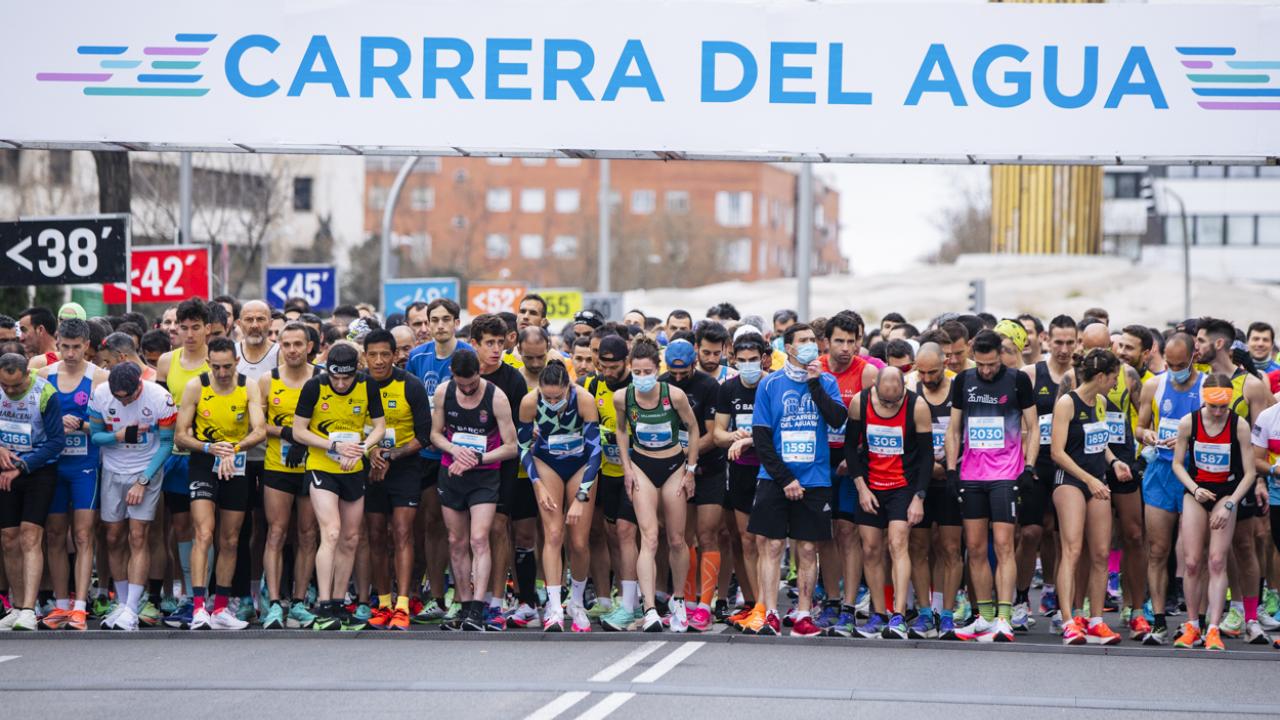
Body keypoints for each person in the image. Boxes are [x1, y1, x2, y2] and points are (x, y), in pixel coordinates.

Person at [745, 323, 847, 637]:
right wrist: (785, 478)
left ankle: (803, 613)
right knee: (772, 546)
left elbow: (838, 420)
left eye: (812, 341)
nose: (809, 346)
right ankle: (770, 612)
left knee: (806, 549)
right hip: (775, 478)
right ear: (788, 347)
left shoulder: (827, 381)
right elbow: (761, 439)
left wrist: (815, 385)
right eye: (802, 341)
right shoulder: (769, 384)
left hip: (815, 479)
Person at [945, 330, 1038, 642]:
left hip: (1005, 474)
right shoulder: (964, 381)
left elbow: (1032, 425)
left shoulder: (1017, 380)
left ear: (1001, 355)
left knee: (1003, 544)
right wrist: (950, 468)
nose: (986, 370)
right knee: (974, 548)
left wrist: (1029, 466)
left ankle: (1004, 616)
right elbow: (954, 429)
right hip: (971, 474)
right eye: (981, 364)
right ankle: (984, 617)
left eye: (991, 364)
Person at [173, 337, 267, 630]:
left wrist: (233, 449)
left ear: (237, 362)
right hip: (204, 462)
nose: (223, 372)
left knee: (230, 538)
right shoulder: (196, 386)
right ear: (208, 363)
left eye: (228, 366)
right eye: (216, 367)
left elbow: (260, 429)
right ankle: (199, 606)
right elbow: (180, 435)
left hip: (235, 463)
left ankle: (222, 608)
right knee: (204, 532)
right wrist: (209, 447)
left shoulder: (247, 385)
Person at [292, 343, 386, 631]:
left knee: (351, 537)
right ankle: (323, 603)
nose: (342, 383)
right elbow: (299, 430)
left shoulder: (367, 384)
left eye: (346, 378)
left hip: (353, 468)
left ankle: (338, 599)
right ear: (328, 371)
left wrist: (362, 448)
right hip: (322, 466)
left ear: (355, 372)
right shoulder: (315, 386)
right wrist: (334, 446)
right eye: (336, 378)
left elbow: (379, 426)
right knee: (330, 531)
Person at [1194, 317, 1273, 642]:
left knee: (1244, 545)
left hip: (1243, 478)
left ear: (1219, 344)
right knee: (1213, 552)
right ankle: (1225, 611)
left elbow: (1262, 437)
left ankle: (1249, 616)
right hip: (1208, 479)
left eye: (1200, 341)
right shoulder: (1202, 381)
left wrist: (1259, 481)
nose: (1195, 346)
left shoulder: (1251, 384)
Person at [614, 338, 700, 632]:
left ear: (657, 369)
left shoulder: (673, 395)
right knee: (648, 537)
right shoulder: (622, 397)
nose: (642, 377)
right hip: (642, 466)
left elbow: (693, 427)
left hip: (673, 466)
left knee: (676, 539)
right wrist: (627, 468)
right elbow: (621, 429)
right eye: (636, 372)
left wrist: (691, 470)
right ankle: (649, 607)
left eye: (647, 371)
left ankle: (678, 601)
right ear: (630, 369)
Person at [430, 348, 518, 632]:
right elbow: (434, 434)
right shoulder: (444, 392)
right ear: (452, 376)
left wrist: (478, 458)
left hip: (484, 476)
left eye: (472, 384)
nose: (467, 390)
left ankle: (479, 608)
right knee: (456, 540)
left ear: (480, 373)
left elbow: (511, 446)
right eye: (461, 384)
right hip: (452, 472)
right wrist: (455, 450)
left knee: (479, 539)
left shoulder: (497, 397)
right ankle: (465, 605)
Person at [1171, 374, 1256, 651]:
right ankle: (1192, 624)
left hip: (1226, 493)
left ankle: (1213, 628)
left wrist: (1231, 503)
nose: (1218, 412)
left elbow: (1250, 472)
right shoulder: (1189, 423)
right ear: (1204, 401)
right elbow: (1178, 465)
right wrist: (1194, 489)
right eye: (1213, 406)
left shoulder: (1238, 425)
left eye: (1223, 407)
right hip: (1197, 493)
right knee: (1193, 561)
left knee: (1217, 561)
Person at [845, 367, 932, 639]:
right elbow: (850, 447)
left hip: (902, 486)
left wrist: (919, 497)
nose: (889, 405)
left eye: (895, 401)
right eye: (885, 401)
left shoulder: (917, 405)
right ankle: (878, 613)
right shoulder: (860, 402)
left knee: (897, 544)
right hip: (871, 484)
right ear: (876, 388)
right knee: (870, 548)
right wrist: (861, 487)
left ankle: (899, 614)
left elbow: (927, 457)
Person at [1050, 349, 1128, 646]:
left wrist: (1113, 462)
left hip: (1097, 479)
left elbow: (1099, 441)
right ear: (1100, 376)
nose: (1115, 383)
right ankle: (1069, 620)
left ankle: (1096, 620)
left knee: (1100, 553)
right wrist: (1089, 479)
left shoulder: (1102, 402)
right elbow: (1057, 452)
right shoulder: (1067, 403)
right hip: (1071, 480)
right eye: (1113, 378)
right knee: (1072, 549)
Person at [89, 363, 175, 631]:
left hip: (146, 468)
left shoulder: (160, 398)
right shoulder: (101, 394)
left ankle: (133, 607)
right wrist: (118, 435)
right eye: (120, 398)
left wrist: (144, 480)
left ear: (140, 384)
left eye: (130, 396)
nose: (125, 402)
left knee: (138, 535)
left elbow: (167, 443)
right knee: (113, 537)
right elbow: (95, 437)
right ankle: (124, 604)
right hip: (113, 470)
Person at [520, 360, 601, 631]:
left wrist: (581, 496)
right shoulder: (530, 402)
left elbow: (596, 451)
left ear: (568, 387)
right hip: (547, 462)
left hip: (580, 463)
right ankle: (554, 606)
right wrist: (538, 484)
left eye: (558, 396)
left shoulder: (584, 400)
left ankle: (576, 602)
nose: (553, 401)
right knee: (553, 533)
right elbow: (522, 448)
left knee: (578, 541)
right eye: (548, 396)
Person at [406, 298, 472, 624]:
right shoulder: (417, 357)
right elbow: (410, 403)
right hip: (426, 453)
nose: (441, 325)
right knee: (432, 525)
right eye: (435, 320)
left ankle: (463, 596)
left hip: (461, 452)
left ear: (457, 322)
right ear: (427, 324)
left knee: (461, 530)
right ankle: (436, 596)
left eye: (447, 319)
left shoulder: (467, 356)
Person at [37, 320, 106, 631]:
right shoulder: (44, 376)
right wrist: (55, 425)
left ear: (87, 345)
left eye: (77, 347)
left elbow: (110, 428)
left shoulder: (99, 378)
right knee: (53, 535)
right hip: (53, 465)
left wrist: (81, 425)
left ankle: (80, 607)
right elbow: (32, 423)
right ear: (58, 344)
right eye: (65, 346)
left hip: (85, 466)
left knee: (82, 535)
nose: (70, 353)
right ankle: (61, 604)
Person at [361, 329, 432, 631]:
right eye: (372, 355)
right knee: (376, 535)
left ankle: (403, 604)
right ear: (364, 356)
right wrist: (372, 454)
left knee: (402, 532)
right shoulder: (357, 385)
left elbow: (424, 436)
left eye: (384, 355)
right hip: (368, 466)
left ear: (394, 356)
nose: (378, 361)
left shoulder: (410, 385)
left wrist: (392, 455)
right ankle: (383, 602)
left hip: (404, 467)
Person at [1136, 333, 1202, 645]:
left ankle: (1196, 622)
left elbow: (1220, 430)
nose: (1175, 370)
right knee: (1157, 550)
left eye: (1181, 364)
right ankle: (1159, 621)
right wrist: (1147, 436)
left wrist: (1190, 440)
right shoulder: (1154, 385)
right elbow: (1139, 427)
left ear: (1194, 357)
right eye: (1170, 364)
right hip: (1160, 471)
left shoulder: (1206, 387)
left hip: (1193, 475)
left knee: (1193, 556)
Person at [817, 311, 878, 635]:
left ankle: (849, 605)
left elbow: (873, 422)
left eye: (851, 341)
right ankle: (830, 598)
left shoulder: (866, 373)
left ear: (859, 342)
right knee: (822, 534)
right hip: (817, 460)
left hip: (850, 459)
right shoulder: (816, 369)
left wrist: (856, 457)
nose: (845, 348)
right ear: (826, 342)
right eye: (838, 341)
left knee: (847, 532)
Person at [472, 315, 533, 631]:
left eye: (500, 343)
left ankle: (496, 602)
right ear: (475, 345)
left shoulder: (513, 379)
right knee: (468, 535)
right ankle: (470, 601)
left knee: (498, 527)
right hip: (466, 463)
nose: (496, 349)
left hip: (505, 463)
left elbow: (523, 430)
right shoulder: (463, 375)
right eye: (489, 344)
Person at [258, 322, 321, 630]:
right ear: (279, 346)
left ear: (309, 346)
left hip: (312, 466)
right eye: (287, 344)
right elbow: (256, 426)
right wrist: (287, 432)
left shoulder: (321, 378)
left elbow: (330, 420)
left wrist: (304, 437)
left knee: (308, 535)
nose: (293, 350)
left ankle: (298, 601)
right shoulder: (267, 381)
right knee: (277, 532)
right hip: (277, 466)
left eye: (299, 344)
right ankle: (273, 602)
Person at [1016, 315, 1076, 629]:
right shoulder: (1029, 375)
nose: (1064, 349)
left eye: (1070, 342)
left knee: (1059, 532)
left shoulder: (1081, 377)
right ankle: (1020, 597)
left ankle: (1054, 596)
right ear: (1046, 340)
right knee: (1031, 532)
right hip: (1036, 463)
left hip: (1068, 463)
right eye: (1058, 342)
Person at [659, 338, 723, 632]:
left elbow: (712, 433)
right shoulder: (660, 383)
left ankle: (705, 604)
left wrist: (689, 455)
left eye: (684, 372)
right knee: (680, 538)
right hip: (674, 469)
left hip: (707, 467)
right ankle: (683, 600)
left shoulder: (709, 386)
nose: (679, 378)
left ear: (694, 362)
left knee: (708, 533)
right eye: (674, 372)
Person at [0, 354, 63, 631]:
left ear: (27, 374)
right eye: (5, 386)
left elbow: (56, 441)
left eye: (15, 385)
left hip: (37, 469)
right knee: (8, 538)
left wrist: (23, 466)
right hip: (5, 470)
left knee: (30, 536)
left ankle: (29, 607)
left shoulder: (45, 393)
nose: (10, 391)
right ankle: (15, 606)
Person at [585, 336, 644, 633]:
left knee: (626, 531)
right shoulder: (593, 386)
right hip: (606, 472)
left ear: (627, 361)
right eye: (602, 365)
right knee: (611, 534)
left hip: (637, 471)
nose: (607, 371)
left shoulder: (640, 386)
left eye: (614, 366)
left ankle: (634, 602)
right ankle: (621, 596)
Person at [906, 343, 964, 639]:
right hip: (921, 481)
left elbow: (965, 433)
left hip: (952, 478)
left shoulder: (959, 388)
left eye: (934, 372)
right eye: (922, 372)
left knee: (951, 548)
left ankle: (948, 612)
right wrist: (928, 469)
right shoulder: (912, 392)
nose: (928, 378)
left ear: (946, 363)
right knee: (918, 547)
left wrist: (950, 466)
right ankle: (925, 610)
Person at [715, 332, 768, 631]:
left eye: (753, 360)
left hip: (770, 471)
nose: (748, 365)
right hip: (739, 471)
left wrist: (753, 439)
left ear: (763, 358)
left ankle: (767, 604)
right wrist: (733, 436)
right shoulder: (728, 388)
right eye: (742, 360)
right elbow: (718, 434)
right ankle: (753, 603)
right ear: (734, 359)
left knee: (766, 542)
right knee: (746, 540)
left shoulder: (772, 385)